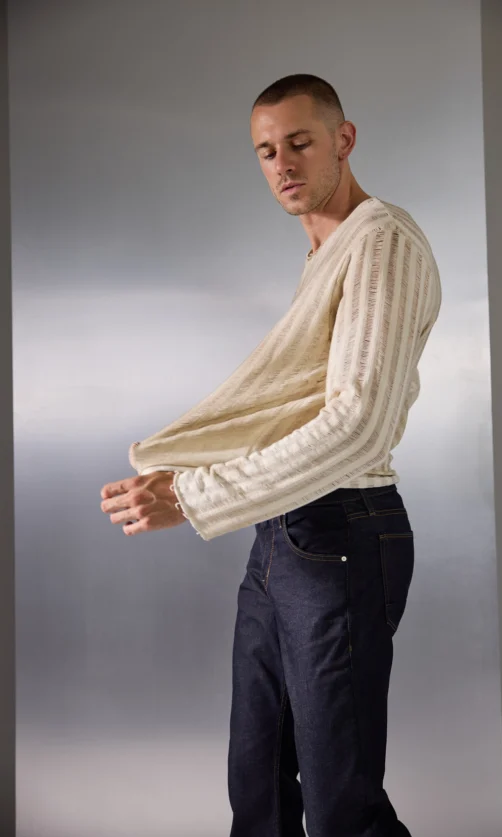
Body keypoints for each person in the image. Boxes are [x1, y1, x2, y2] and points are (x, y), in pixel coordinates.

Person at [100, 73, 441, 837]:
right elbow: (296, 405)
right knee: (258, 782)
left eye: (299, 142)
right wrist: (190, 469)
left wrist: (194, 495)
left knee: (340, 800)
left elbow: (357, 426)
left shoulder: (381, 242)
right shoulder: (325, 255)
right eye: (265, 151)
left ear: (343, 140)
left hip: (344, 531)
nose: (282, 164)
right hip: (282, 533)